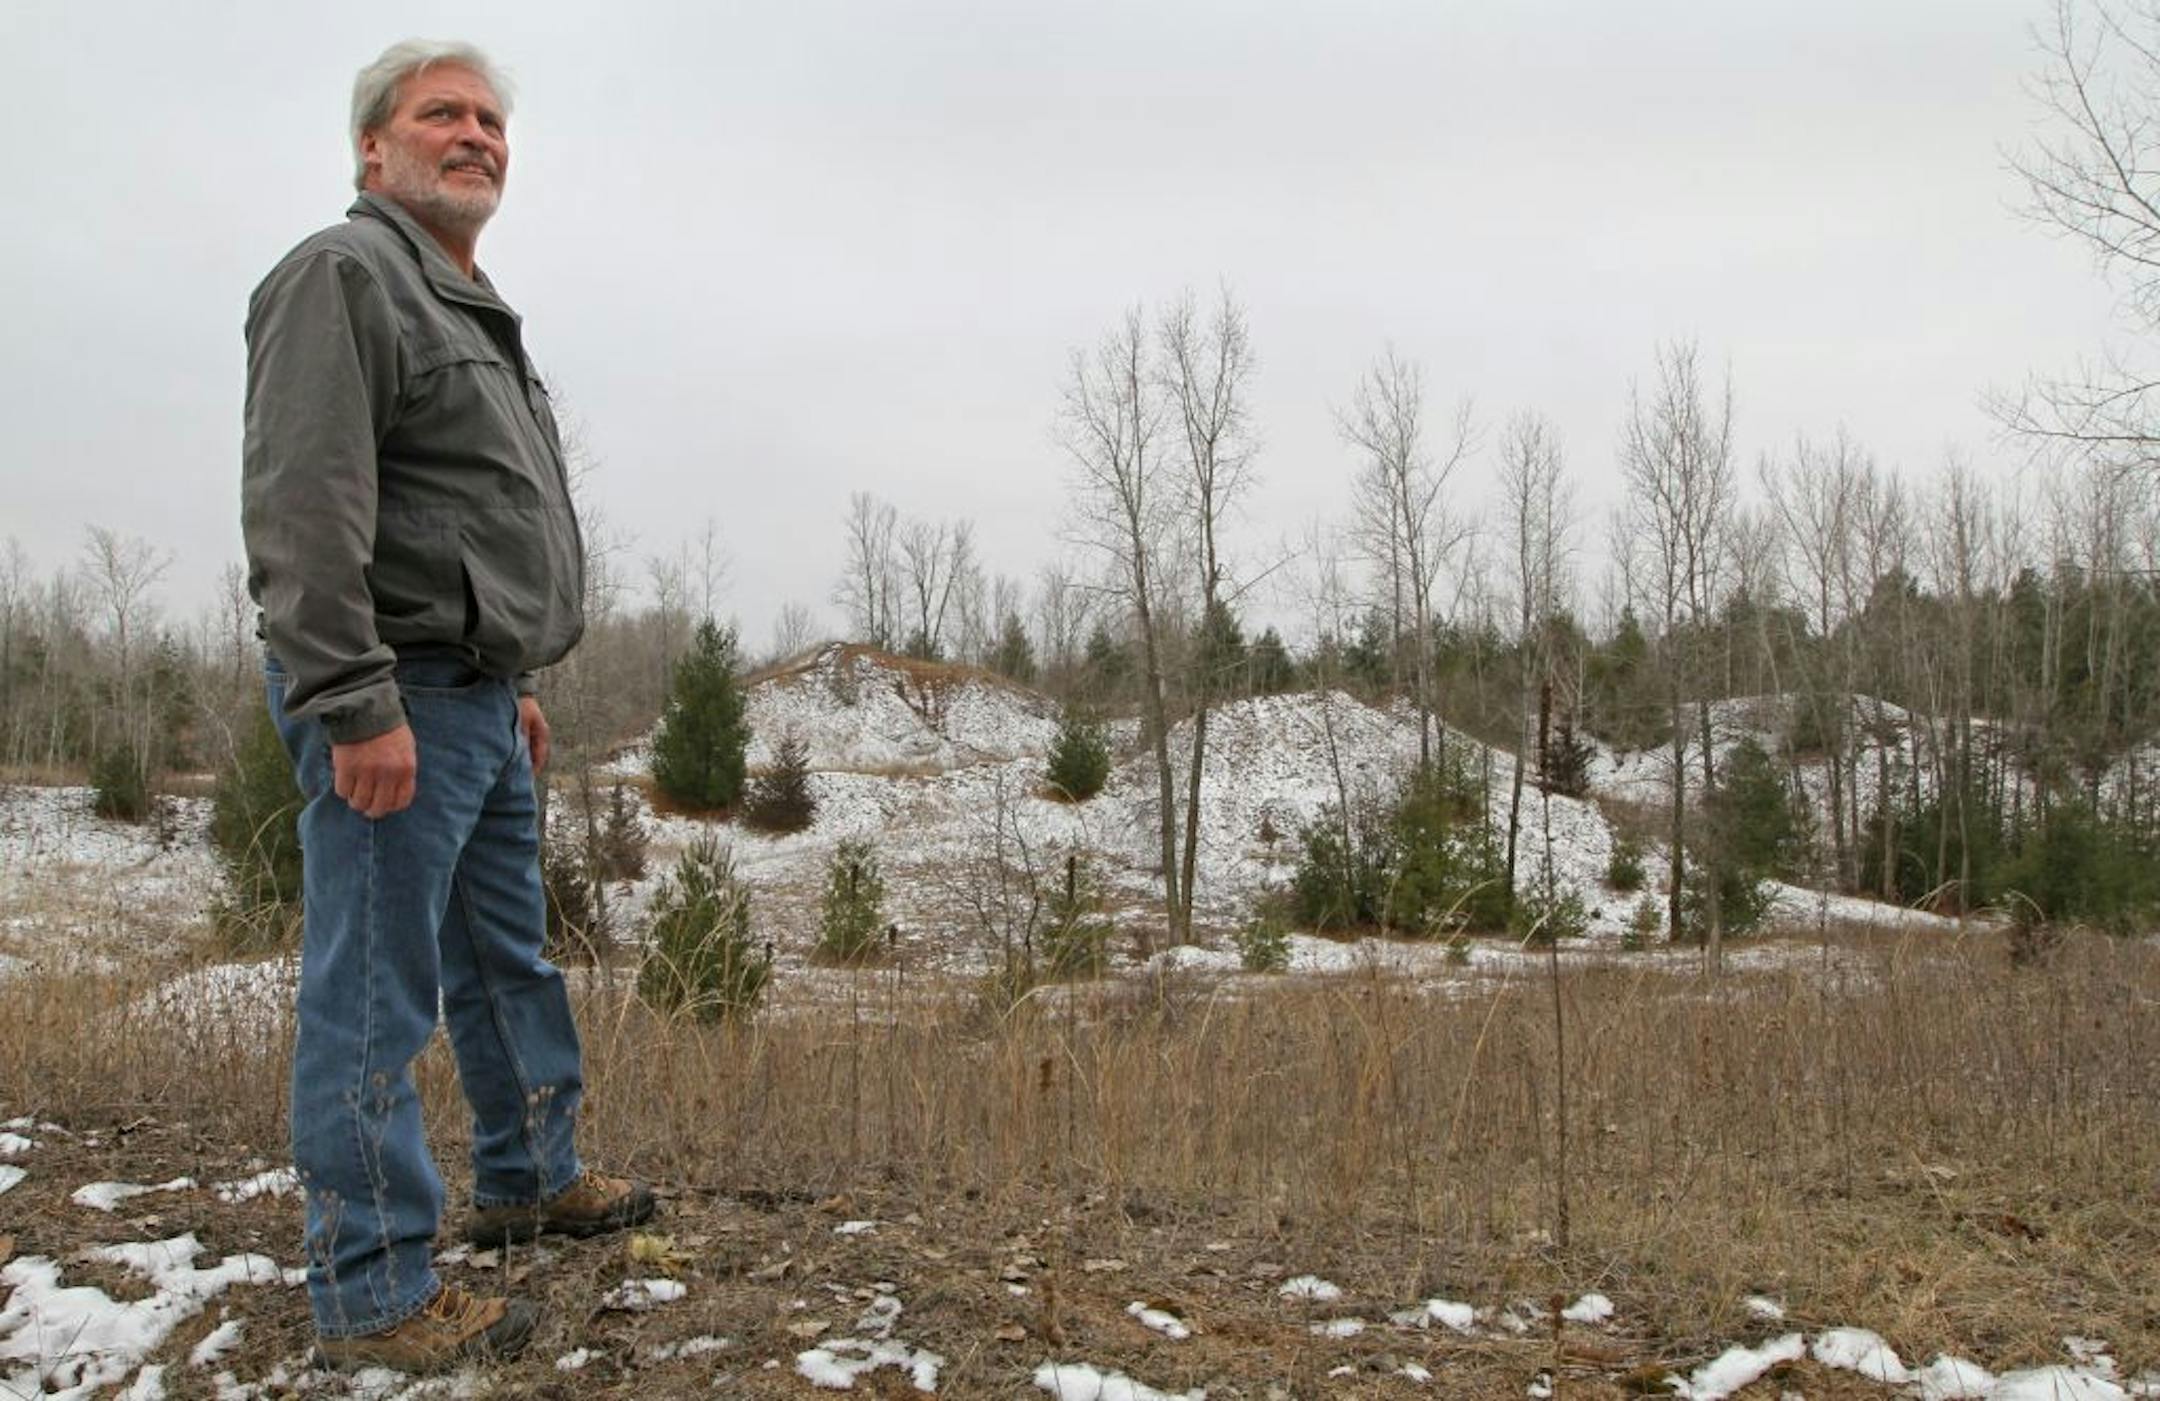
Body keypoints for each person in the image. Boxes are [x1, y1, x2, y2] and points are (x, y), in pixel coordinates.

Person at [241, 39, 654, 1373]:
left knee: (503, 957)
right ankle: (371, 1287)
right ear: (375, 148)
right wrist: (357, 702)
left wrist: (515, 682)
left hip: (473, 701)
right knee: (376, 989)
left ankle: (533, 1172)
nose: (475, 134)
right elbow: (308, 507)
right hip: (392, 695)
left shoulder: (465, 302)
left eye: (488, 118)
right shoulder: (344, 275)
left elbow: (462, 514)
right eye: (442, 116)